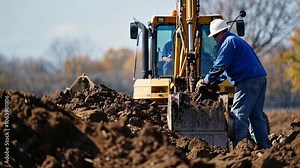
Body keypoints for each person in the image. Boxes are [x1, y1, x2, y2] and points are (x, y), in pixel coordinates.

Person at [200, 19, 271, 149]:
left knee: (238, 115)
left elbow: (220, 65)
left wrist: (206, 80)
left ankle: (241, 148)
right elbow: (224, 73)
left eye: (215, 36)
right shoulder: (234, 41)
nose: (215, 39)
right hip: (259, 77)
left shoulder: (228, 42)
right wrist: (212, 81)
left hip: (248, 81)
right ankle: (265, 147)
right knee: (256, 117)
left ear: (221, 33)